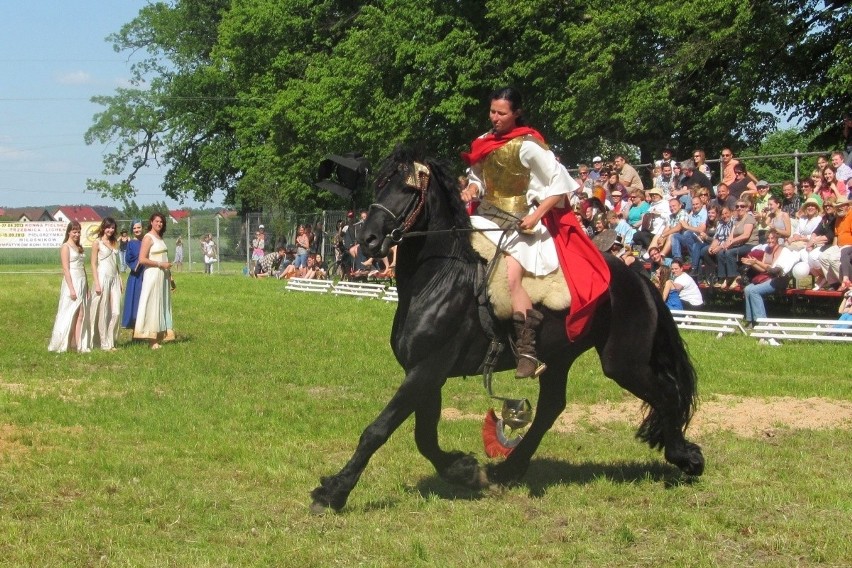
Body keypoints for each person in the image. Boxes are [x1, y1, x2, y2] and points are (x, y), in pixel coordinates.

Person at [461, 86, 608, 378]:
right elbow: (477, 175)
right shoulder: (482, 142)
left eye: (502, 113)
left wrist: (535, 215)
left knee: (511, 277)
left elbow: (560, 184)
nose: (495, 118)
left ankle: (527, 349)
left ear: (516, 113)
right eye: (492, 111)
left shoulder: (529, 145)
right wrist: (473, 188)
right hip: (485, 217)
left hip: (521, 224)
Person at [48, 221, 92, 353]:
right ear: (69, 232)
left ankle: (78, 344)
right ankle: (62, 342)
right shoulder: (65, 247)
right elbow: (66, 269)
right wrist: (72, 289)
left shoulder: (79, 247)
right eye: (74, 231)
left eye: (78, 231)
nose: (77, 234)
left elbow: (83, 268)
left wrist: (87, 287)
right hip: (71, 282)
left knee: (81, 314)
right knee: (68, 313)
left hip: (82, 281)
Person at [741, 229, 799, 328]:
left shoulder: (783, 250)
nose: (770, 240)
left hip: (779, 279)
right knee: (747, 289)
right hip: (767, 277)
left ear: (777, 239)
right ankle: (751, 321)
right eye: (768, 238)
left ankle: (762, 322)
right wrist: (752, 263)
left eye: (772, 238)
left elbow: (773, 270)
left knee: (754, 291)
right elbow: (762, 270)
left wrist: (756, 262)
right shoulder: (767, 249)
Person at [134, 213, 175, 349]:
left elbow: (164, 258)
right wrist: (159, 264)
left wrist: (170, 277)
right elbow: (142, 259)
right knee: (153, 303)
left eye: (161, 222)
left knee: (161, 304)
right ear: (151, 222)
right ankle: (152, 340)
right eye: (157, 221)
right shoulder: (148, 238)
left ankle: (160, 335)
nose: (159, 224)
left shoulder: (159, 238)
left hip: (163, 275)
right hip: (153, 274)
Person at [89, 217, 122, 351]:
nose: (110, 230)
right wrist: (97, 283)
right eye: (108, 227)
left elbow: (115, 262)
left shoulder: (114, 242)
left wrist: (119, 278)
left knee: (116, 311)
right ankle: (104, 343)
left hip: (114, 277)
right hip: (102, 277)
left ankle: (111, 340)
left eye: (113, 228)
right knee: (103, 310)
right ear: (103, 227)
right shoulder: (97, 243)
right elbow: (93, 263)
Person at [715, 199, 758, 289]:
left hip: (750, 244)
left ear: (747, 208)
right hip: (740, 244)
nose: (739, 208)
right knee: (721, 252)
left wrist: (732, 242)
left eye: (742, 206)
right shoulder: (737, 220)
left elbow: (746, 235)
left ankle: (734, 277)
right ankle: (723, 277)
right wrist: (727, 244)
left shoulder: (749, 218)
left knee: (729, 253)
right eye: (737, 206)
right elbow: (731, 235)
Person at [818, 197, 852, 289]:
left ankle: (847, 283)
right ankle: (835, 283)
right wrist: (833, 248)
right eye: (838, 206)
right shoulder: (838, 218)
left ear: (847, 206)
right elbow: (836, 236)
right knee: (823, 256)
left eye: (842, 206)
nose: (840, 208)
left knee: (833, 258)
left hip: (849, 246)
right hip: (840, 245)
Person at [121, 220, 145, 330]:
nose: (137, 230)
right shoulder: (131, 244)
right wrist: (139, 260)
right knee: (136, 303)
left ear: (143, 228)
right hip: (136, 277)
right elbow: (128, 259)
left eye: (138, 227)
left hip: (148, 274)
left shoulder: (147, 240)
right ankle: (136, 331)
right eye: (134, 228)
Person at [671, 196, 707, 264]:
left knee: (687, 233)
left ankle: (693, 257)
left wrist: (687, 227)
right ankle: (677, 258)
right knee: (675, 235)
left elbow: (701, 230)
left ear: (701, 204)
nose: (695, 206)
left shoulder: (703, 213)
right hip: (691, 237)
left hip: (700, 238)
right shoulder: (692, 213)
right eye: (693, 204)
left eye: (697, 204)